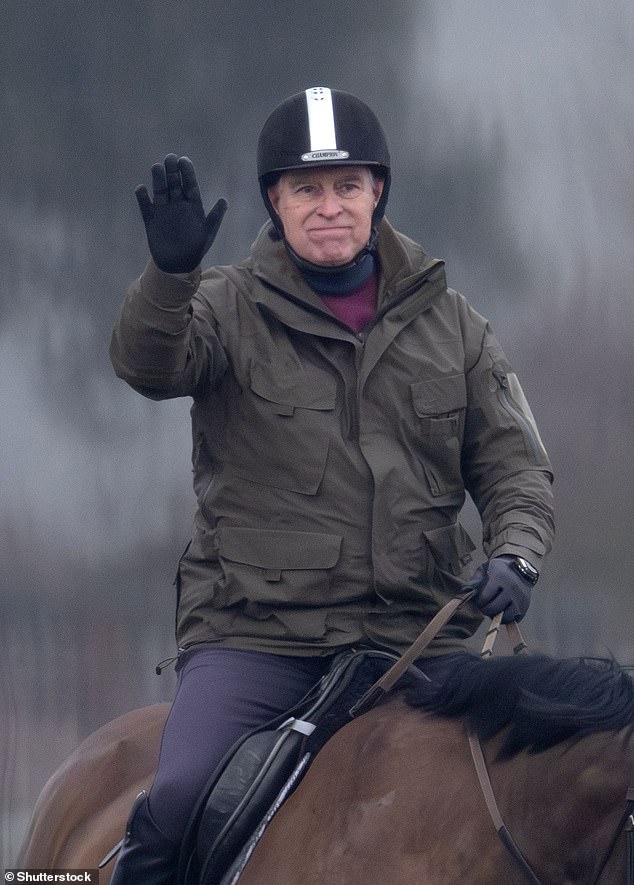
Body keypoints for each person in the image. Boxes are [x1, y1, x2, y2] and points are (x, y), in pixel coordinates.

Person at [108, 86, 554, 883]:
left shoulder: (456, 326)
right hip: (258, 637)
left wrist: (516, 555)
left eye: (348, 186)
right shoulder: (220, 309)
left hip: (422, 636)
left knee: (555, 793)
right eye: (305, 189)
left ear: (378, 192)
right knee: (176, 798)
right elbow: (148, 365)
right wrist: (169, 278)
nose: (328, 207)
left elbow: (516, 466)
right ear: (273, 203)